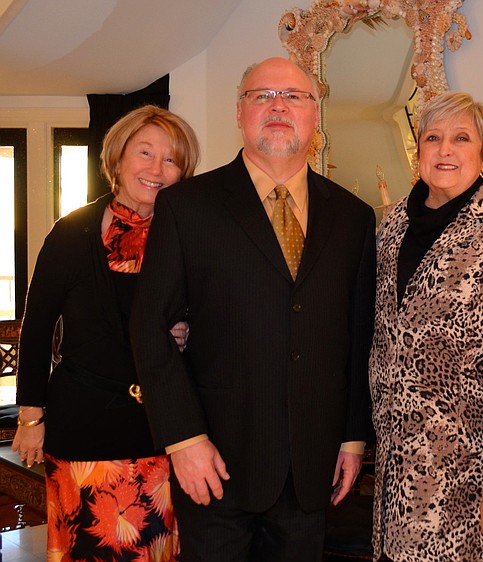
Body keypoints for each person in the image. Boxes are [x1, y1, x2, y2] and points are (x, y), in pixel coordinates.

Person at [129, 57, 376, 562]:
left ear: (315, 113)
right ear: (240, 112)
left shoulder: (352, 216)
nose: (278, 106)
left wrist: (352, 438)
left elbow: (357, 337)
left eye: (294, 96)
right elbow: (150, 328)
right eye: (262, 96)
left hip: (311, 470)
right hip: (215, 465)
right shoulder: (188, 206)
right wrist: (183, 439)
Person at [12, 104, 200, 561]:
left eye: (171, 159)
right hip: (83, 427)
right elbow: (35, 328)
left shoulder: (190, 239)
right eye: (146, 152)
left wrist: (189, 331)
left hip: (160, 433)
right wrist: (30, 418)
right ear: (118, 159)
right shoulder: (70, 233)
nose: (157, 169)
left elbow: (218, 319)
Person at [369, 91, 483, 562]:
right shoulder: (392, 226)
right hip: (395, 467)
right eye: (433, 138)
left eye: (461, 139)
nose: (445, 150)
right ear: (418, 151)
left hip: (470, 472)